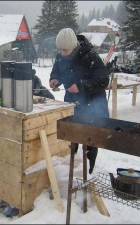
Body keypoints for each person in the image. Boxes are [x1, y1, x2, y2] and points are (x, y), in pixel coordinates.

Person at [49, 28, 109, 174]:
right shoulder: (60, 56)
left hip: (92, 105)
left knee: (90, 139)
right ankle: (70, 170)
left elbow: (103, 80)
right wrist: (54, 79)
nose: (62, 53)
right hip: (72, 103)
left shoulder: (90, 56)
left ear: (74, 46)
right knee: (72, 136)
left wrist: (81, 86)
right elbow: (57, 71)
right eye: (60, 50)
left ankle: (89, 171)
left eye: (65, 50)